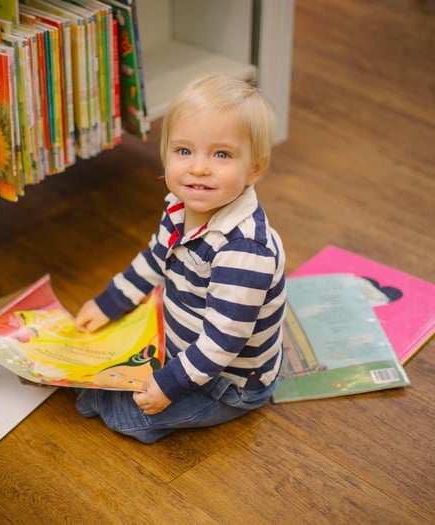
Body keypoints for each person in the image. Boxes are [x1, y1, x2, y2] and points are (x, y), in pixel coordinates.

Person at [74, 73, 287, 444]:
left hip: (228, 380)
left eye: (221, 154)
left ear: (255, 168)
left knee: (132, 419)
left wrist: (169, 384)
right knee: (117, 365)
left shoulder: (244, 251)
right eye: (184, 151)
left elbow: (222, 342)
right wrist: (110, 302)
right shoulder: (178, 207)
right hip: (184, 345)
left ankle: (102, 397)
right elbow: (155, 260)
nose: (198, 168)